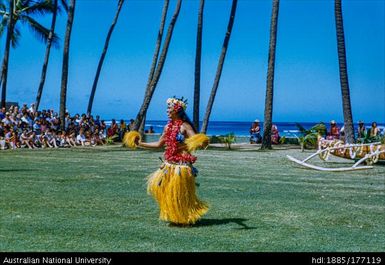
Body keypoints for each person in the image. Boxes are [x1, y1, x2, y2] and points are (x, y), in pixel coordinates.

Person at [123, 97, 209, 226]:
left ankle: (185, 218)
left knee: (181, 194)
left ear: (177, 109)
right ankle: (176, 216)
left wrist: (202, 141)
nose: (167, 110)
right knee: (166, 191)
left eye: (169, 108)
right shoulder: (167, 127)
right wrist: (140, 143)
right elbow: (158, 144)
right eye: (167, 108)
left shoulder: (185, 127)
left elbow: (196, 141)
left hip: (182, 167)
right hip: (168, 165)